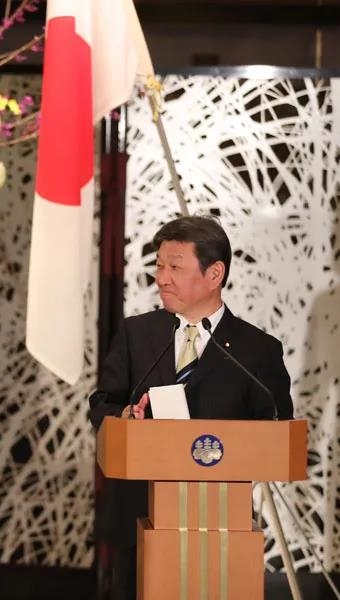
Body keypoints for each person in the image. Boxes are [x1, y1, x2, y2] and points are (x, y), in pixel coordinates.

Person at [88, 215, 293, 600]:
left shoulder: (257, 349)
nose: (162, 277)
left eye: (175, 267)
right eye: (159, 266)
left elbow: (277, 427)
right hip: (141, 517)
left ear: (215, 273)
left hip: (222, 527)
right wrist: (125, 417)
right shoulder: (138, 333)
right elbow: (103, 401)